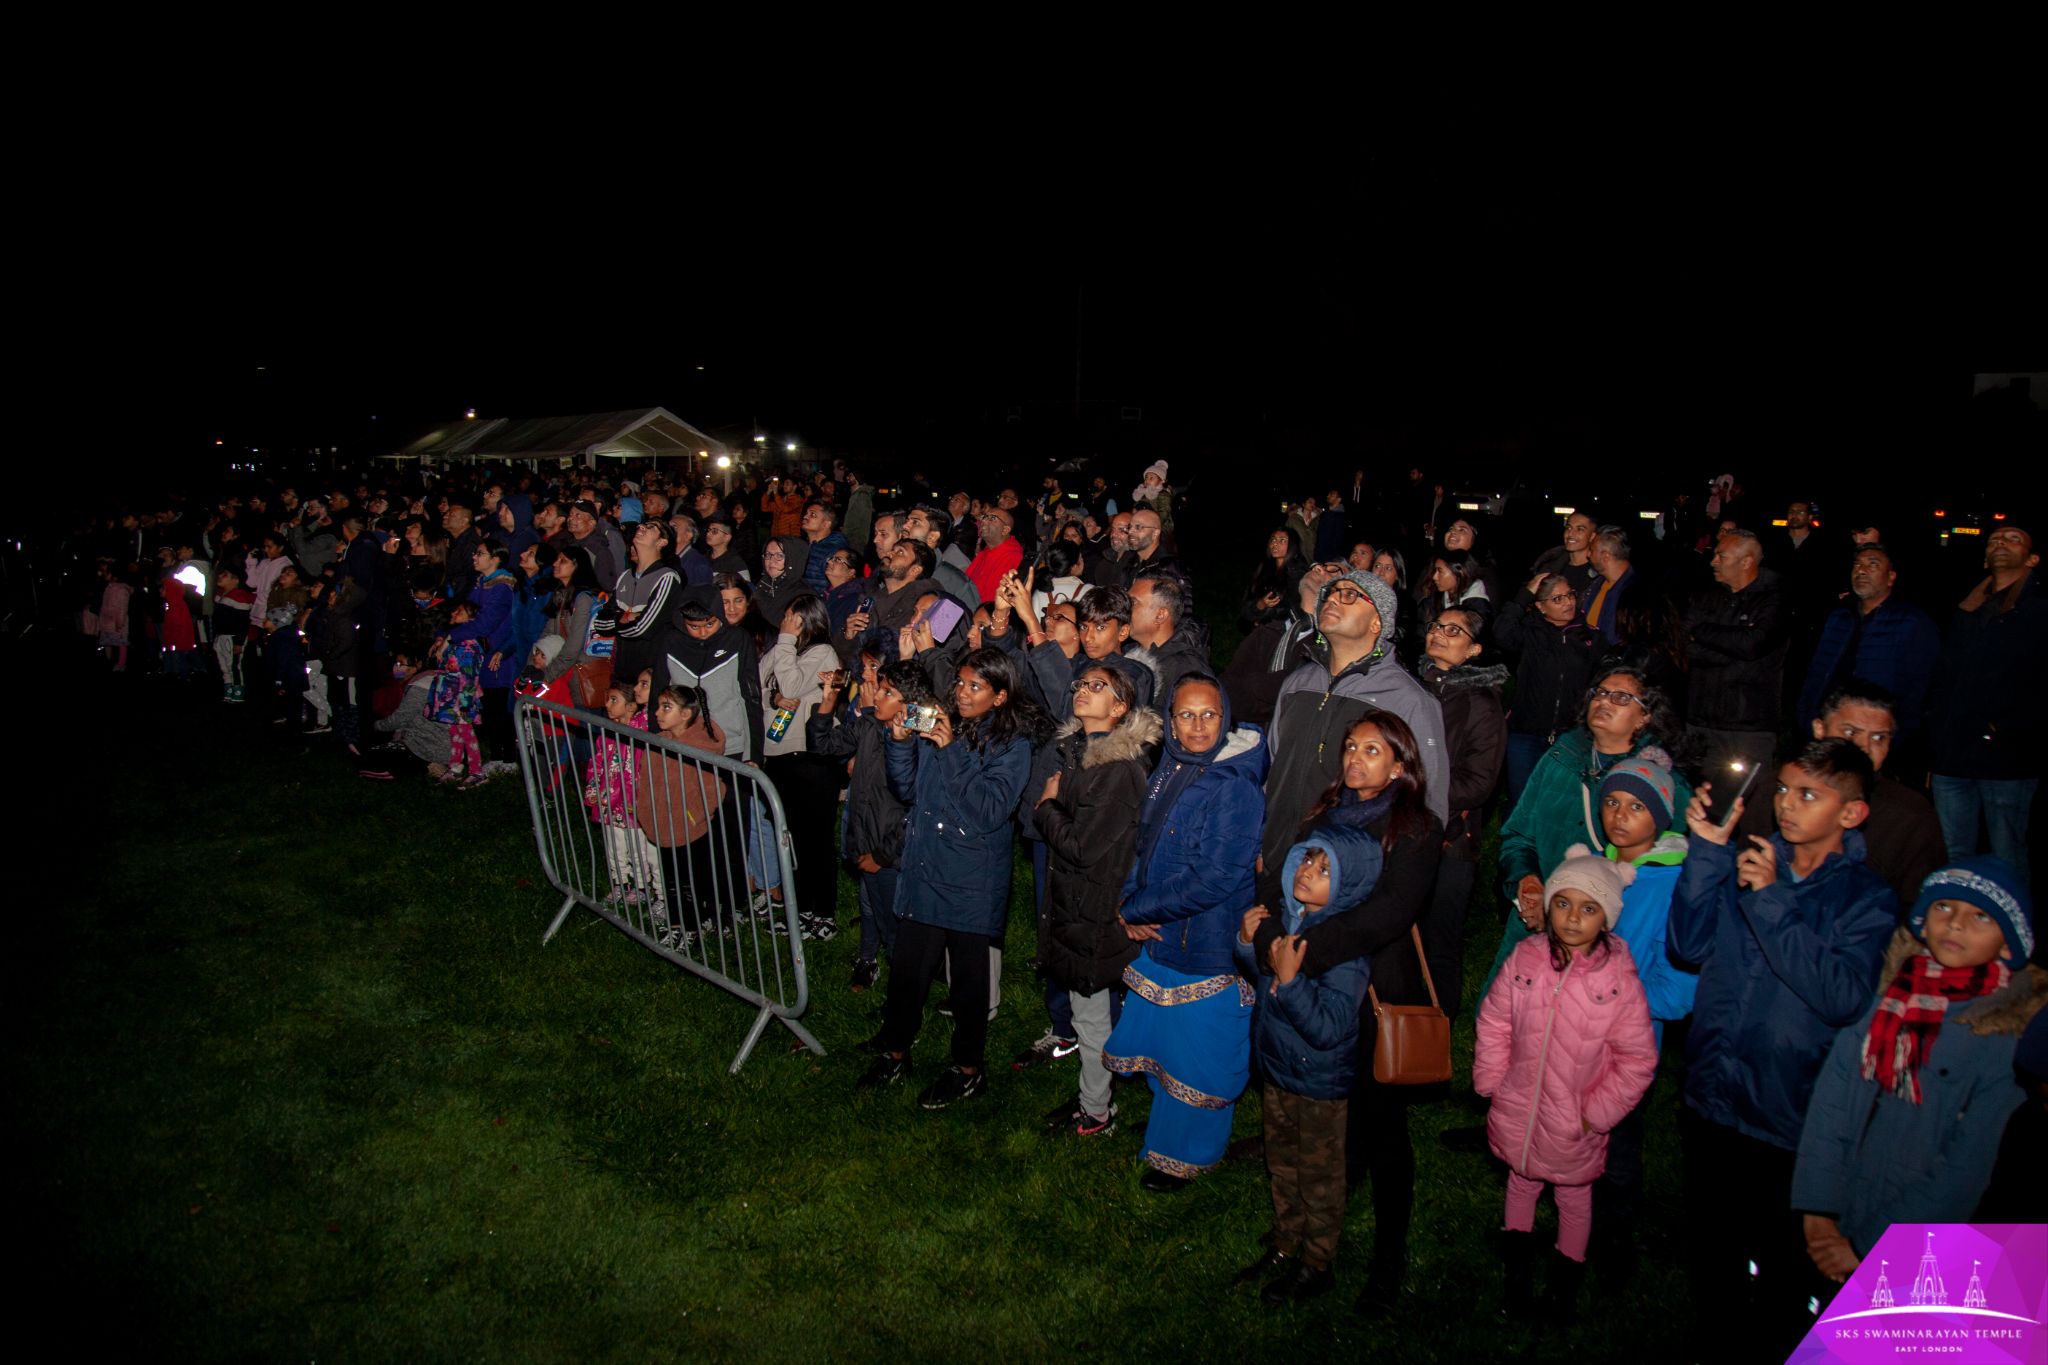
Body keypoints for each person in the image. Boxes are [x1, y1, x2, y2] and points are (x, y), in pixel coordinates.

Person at [1669, 739, 1897, 1362]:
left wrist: (1770, 899)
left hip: (1784, 1117)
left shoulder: (1865, 899)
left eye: (1808, 795)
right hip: (1713, 1095)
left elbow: (1842, 996)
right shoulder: (1749, 860)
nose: (1788, 806)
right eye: (1785, 789)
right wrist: (1708, 854)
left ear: (1850, 813)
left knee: (1780, 1269)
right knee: (1714, 1253)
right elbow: (1689, 945)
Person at [1247, 710, 1443, 1312]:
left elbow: (1387, 916)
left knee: (1382, 1129)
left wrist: (1296, 953)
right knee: (1315, 1121)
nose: (1356, 759)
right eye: (1351, 748)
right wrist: (1268, 935)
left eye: (1373, 751)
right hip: (1307, 978)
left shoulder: (1415, 828)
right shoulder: (1326, 811)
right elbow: (1279, 875)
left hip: (1373, 991)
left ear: (1402, 763)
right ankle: (1303, 1235)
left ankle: (1387, 1258)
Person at [1792, 857, 2042, 1278]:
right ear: (1923, 924)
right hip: (1838, 1208)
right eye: (1944, 907)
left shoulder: (2003, 1037)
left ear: (2007, 946)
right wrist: (1818, 1205)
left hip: (1915, 1243)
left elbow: (1967, 1166)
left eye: (1980, 916)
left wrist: (1872, 1246)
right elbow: (1832, 1100)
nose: (1956, 924)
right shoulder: (1888, 997)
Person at [859, 649, 1051, 1109]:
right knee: (908, 972)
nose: (962, 693)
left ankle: (968, 1070)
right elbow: (908, 791)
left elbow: (987, 812)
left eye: (975, 687)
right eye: (961, 683)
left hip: (970, 879)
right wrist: (902, 743)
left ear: (1001, 696)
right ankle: (895, 1050)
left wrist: (952, 750)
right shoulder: (948, 725)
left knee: (968, 986)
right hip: (926, 869)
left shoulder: (1014, 745)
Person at [1476, 848, 1657, 1323]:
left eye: (1589, 908)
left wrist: (1594, 1113)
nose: (1573, 918)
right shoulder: (1527, 957)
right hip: (1519, 1106)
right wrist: (1494, 1080)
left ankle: (1563, 1286)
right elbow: (1495, 1020)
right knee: (1520, 1182)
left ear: (1607, 918)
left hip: (1573, 1120)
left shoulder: (1618, 979)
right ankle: (1516, 1277)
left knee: (1574, 1199)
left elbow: (1637, 1060)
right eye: (1563, 903)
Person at [1103, 674, 1267, 1190]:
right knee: (1168, 1046)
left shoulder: (1235, 785)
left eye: (1209, 715)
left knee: (1201, 1057)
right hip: (1164, 932)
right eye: (1185, 715)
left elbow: (1214, 877)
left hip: (1206, 942)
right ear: (1170, 720)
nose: (1197, 727)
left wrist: (1136, 908)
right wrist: (1127, 899)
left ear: (1226, 718)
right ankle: (1164, 1126)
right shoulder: (1172, 767)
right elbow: (1144, 842)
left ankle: (1189, 1154)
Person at [1232, 824, 1385, 1306]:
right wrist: (1245, 941)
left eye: (1324, 870)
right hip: (1278, 1071)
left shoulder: (1345, 950)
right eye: (1306, 860)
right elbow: (1261, 975)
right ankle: (1285, 1239)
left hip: (1319, 1084)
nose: (1307, 873)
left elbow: (1328, 1028)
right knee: (1281, 1162)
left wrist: (1293, 982)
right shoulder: (1290, 920)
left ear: (1348, 886)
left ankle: (1318, 1262)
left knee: (1318, 1176)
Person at [1483, 667, 1692, 997]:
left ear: (1643, 717)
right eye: (1600, 693)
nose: (1604, 701)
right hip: (1533, 923)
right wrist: (1528, 883)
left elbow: (1672, 864)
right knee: (1504, 1018)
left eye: (1622, 697)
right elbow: (1519, 834)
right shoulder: (1561, 757)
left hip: (1606, 939)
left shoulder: (1659, 782)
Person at [1262, 567, 1449, 906]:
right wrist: (1264, 843)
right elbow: (1274, 768)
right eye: (1330, 594)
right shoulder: (1297, 683)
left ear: (1379, 623)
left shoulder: (1407, 700)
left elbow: (1429, 803)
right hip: (1278, 861)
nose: (1333, 598)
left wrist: (1392, 885)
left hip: (1346, 878)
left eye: (1349, 595)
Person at [1033, 666, 1163, 1139]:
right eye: (1080, 685)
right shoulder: (1079, 754)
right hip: (1079, 902)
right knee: (1094, 1010)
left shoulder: (1118, 768)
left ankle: (1096, 1111)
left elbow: (1084, 848)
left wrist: (1046, 810)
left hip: (1098, 907)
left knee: (1091, 1016)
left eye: (1096, 687)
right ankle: (1101, 1090)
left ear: (1121, 706)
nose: (1082, 691)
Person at [1586, 759, 1697, 1268]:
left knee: (1619, 1150)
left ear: (1661, 817)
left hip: (1628, 1048)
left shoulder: (1677, 887)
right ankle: (1575, 1228)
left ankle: (1615, 1242)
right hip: (1576, 1038)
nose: (1619, 815)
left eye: (1636, 806)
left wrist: (1608, 996)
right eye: (1611, 801)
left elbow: (1676, 993)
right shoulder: (1592, 867)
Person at [1926, 524, 2048, 883]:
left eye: (2013, 539)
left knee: (2006, 855)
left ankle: (2011, 934)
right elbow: (1944, 678)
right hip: (1952, 756)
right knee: (1954, 853)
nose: (2000, 543)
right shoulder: (1967, 607)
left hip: (2008, 760)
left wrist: (2007, 728)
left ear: (2032, 558)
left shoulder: (2039, 611)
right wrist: (1935, 738)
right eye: (1994, 539)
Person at [810, 657, 931, 991]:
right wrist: (829, 698)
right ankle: (869, 962)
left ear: (909, 705)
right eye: (880, 688)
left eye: (887, 692)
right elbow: (823, 746)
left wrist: (882, 855)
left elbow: (917, 808)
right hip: (866, 842)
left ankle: (901, 1004)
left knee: (895, 928)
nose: (875, 696)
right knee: (869, 906)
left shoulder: (922, 741)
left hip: (891, 854)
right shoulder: (869, 724)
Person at [1414, 607, 1506, 1019]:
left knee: (1439, 946)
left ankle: (1434, 1042)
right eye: (1437, 626)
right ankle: (1390, 1035)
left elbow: (1479, 783)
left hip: (1449, 842)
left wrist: (1411, 790)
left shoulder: (1480, 704)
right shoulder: (1410, 687)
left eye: (1455, 630)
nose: (1441, 633)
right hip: (1399, 832)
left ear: (1474, 649)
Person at [1684, 529, 1787, 840]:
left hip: (1748, 728)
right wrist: (1732, 648)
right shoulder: (1707, 595)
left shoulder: (1775, 598)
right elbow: (1684, 644)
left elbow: (1753, 644)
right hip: (1703, 722)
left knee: (1749, 814)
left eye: (1721, 556)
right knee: (1704, 814)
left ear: (1746, 562)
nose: (1713, 561)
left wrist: (1705, 635)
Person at [1812, 681, 1946, 913]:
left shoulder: (1910, 814)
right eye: (1850, 732)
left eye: (1878, 738)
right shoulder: (1780, 791)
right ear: (1820, 729)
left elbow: (1923, 908)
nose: (1863, 746)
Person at [758, 594, 843, 942]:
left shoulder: (823, 653)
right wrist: (773, 698)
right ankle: (801, 909)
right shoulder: (779, 649)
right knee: (792, 839)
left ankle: (824, 914)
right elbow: (760, 684)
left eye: (793, 617)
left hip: (810, 758)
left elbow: (792, 684)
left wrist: (787, 642)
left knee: (816, 839)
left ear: (808, 621)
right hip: (777, 754)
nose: (786, 621)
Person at [1795, 543, 1939, 745]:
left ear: (1891, 577)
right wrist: (1806, 715)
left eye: (1872, 565)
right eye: (1857, 565)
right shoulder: (1840, 616)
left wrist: (1897, 734)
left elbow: (1919, 686)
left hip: (1874, 734)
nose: (1861, 571)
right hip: (1831, 729)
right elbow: (1817, 672)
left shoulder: (1912, 622)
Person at [1494, 570, 1604, 809]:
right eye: (1558, 599)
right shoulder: (1530, 633)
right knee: (1522, 802)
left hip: (1570, 736)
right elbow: (1501, 632)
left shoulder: (1590, 638)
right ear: (1541, 607)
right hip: (1526, 733)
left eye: (1570, 595)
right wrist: (1526, 593)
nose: (1568, 602)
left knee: (1561, 804)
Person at [634, 685, 730, 951]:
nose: (657, 713)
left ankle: (694, 927)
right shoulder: (658, 744)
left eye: (666, 708)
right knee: (672, 879)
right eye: (659, 706)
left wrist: (693, 816)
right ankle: (676, 925)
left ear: (686, 713)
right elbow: (648, 783)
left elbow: (714, 788)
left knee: (691, 881)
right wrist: (647, 812)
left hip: (691, 828)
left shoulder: (701, 747)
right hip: (663, 824)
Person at [597, 519, 681, 703]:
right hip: (621, 674)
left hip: (649, 676)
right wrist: (626, 617)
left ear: (662, 542)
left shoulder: (667, 578)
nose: (641, 527)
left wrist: (619, 620)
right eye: (642, 525)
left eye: (651, 527)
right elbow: (600, 624)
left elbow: (642, 629)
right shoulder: (625, 577)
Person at [1128, 573, 1210, 711]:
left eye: (1133, 603)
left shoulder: (1186, 670)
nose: (1124, 608)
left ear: (1160, 615)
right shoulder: (1128, 654)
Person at [1242, 528, 1308, 630]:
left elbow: (1293, 606)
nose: (1275, 544)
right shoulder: (1264, 568)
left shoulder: (1297, 572)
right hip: (1262, 627)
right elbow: (1247, 605)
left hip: (1286, 630)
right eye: (1273, 540)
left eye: (1282, 540)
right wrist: (1260, 605)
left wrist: (1263, 618)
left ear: (1292, 545)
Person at [966, 508, 1023, 605]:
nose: (983, 521)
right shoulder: (987, 550)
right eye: (984, 517)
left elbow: (991, 600)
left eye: (992, 518)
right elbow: (966, 581)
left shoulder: (1012, 556)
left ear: (1005, 530)